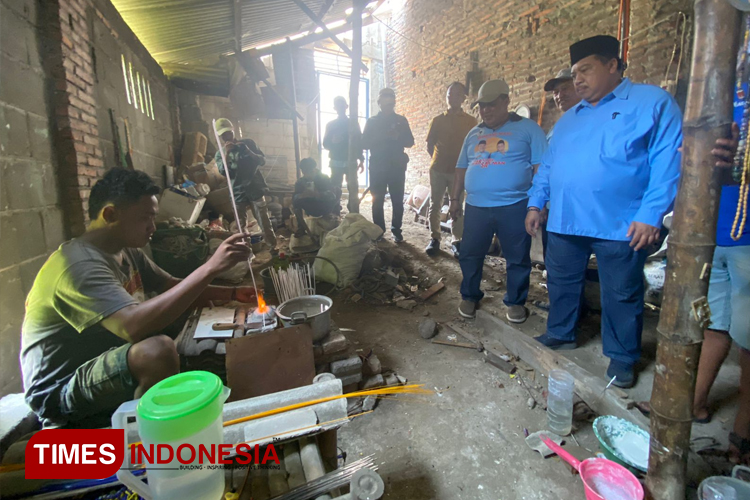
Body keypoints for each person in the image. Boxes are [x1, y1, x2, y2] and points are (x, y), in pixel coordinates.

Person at [21, 168, 256, 428]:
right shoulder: (77, 266)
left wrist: (233, 294)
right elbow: (132, 327)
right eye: (146, 218)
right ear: (110, 214)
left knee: (184, 311)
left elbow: (171, 287)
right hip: (60, 389)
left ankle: (155, 399)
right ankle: (146, 442)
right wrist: (211, 267)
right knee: (156, 351)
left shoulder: (125, 252)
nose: (153, 227)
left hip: (103, 356)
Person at [526, 35, 682, 388]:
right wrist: (536, 202)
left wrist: (652, 213)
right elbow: (548, 168)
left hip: (621, 224)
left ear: (613, 65)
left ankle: (623, 356)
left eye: (586, 70)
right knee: (562, 283)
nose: (577, 79)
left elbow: (667, 162)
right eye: (574, 72)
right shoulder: (568, 120)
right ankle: (562, 331)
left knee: (622, 293)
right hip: (566, 220)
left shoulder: (651, 102)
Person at [449, 79, 548, 323]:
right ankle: (470, 296)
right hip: (476, 206)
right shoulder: (474, 133)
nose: (486, 110)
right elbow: (461, 168)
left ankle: (515, 302)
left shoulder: (528, 129)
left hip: (515, 205)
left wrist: (540, 204)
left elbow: (541, 168)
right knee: (470, 253)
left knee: (517, 257)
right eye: (482, 106)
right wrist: (454, 199)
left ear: (506, 101)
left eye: (491, 104)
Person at [692, 123, 750, 464]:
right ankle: (695, 404)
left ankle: (742, 436)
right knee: (713, 326)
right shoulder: (729, 97)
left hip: (747, 240)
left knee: (749, 342)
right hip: (715, 232)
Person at [424, 82, 477, 258]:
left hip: (458, 171)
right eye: (449, 95)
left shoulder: (471, 122)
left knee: (457, 205)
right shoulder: (438, 120)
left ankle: (457, 240)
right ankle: (435, 238)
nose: (451, 98)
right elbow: (429, 144)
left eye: (456, 94)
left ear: (463, 98)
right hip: (438, 169)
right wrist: (439, 158)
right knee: (435, 204)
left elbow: (474, 146)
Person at [214, 118, 277, 251]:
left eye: (228, 133)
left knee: (264, 221)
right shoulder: (220, 154)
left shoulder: (248, 143)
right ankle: (246, 253)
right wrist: (227, 153)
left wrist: (248, 151)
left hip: (255, 188)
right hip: (237, 193)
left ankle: (273, 249)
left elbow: (262, 161)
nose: (227, 137)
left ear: (233, 131)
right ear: (219, 137)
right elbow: (225, 172)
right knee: (241, 227)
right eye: (223, 135)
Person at [361, 88, 415, 242]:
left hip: (396, 167)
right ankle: (379, 230)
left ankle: (396, 230)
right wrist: (380, 137)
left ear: (394, 102)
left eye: (391, 100)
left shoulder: (401, 121)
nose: (388, 104)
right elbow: (364, 143)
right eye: (385, 100)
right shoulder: (372, 122)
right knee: (377, 200)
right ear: (379, 103)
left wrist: (398, 136)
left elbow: (410, 142)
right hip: (378, 166)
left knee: (397, 200)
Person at [540, 68, 583, 257]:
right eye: (556, 92)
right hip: (556, 208)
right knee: (557, 265)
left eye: (565, 88)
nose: (559, 95)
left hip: (579, 208)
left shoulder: (592, 120)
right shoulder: (559, 126)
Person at [322, 96, 364, 214]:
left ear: (346, 107)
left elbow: (358, 142)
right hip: (335, 161)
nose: (340, 108)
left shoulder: (353, 123)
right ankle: (335, 210)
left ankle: (353, 210)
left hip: (350, 161)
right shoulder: (331, 125)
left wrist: (361, 159)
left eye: (342, 105)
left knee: (352, 187)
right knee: (335, 187)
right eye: (338, 105)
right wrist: (333, 141)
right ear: (334, 108)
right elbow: (325, 144)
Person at [293, 157, 338, 222]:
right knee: (296, 202)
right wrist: (301, 196)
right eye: (304, 172)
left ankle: (334, 218)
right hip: (310, 207)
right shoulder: (300, 182)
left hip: (324, 205)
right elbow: (294, 198)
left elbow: (333, 195)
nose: (307, 174)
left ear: (315, 169)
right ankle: (301, 227)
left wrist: (318, 194)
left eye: (310, 171)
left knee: (338, 190)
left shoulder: (324, 178)